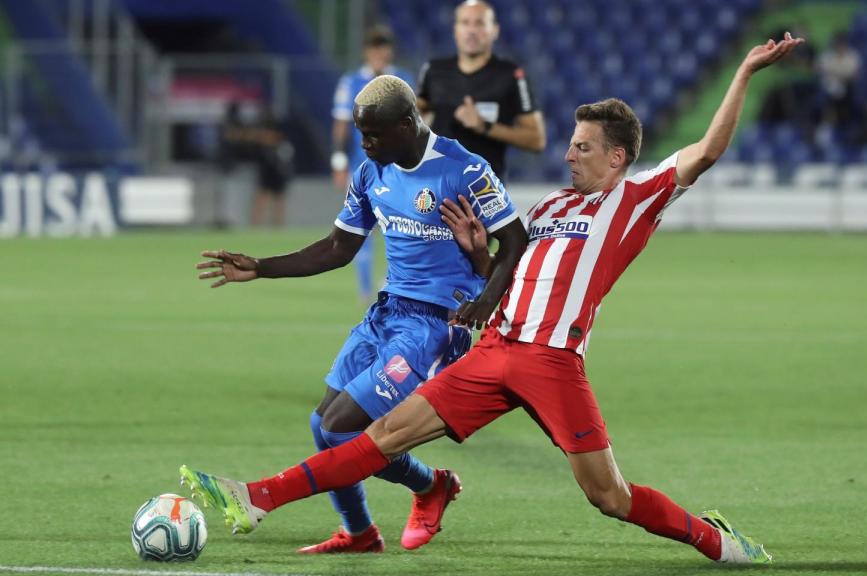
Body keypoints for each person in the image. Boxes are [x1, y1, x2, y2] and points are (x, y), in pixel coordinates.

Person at [182, 34, 803, 564]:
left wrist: (744, 71)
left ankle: (716, 544)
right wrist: (478, 257)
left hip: (552, 361)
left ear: (618, 157)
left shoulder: (635, 201)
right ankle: (256, 497)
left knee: (608, 496)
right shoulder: (554, 206)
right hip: (497, 347)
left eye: (583, 147)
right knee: (382, 436)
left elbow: (708, 151)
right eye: (569, 142)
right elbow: (518, 273)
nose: (568, 154)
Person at [194, 75, 528, 553]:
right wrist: (261, 267)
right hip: (388, 313)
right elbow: (338, 247)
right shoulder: (372, 172)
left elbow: (516, 241)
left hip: (433, 327)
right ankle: (361, 533)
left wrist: (485, 298)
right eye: (360, 134)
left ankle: (432, 485)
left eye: (373, 134)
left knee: (341, 427)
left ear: (408, 123)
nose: (365, 143)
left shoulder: (464, 169)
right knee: (321, 424)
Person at [416, 0, 546, 180]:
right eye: (465, 23)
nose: (471, 30)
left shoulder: (511, 75)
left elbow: (536, 140)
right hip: (436, 185)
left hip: (486, 189)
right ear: (455, 30)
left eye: (479, 23)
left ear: (495, 30)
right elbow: (418, 111)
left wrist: (484, 126)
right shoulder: (433, 70)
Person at [333, 25, 415, 304]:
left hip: (398, 167)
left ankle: (393, 282)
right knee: (360, 227)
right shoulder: (351, 81)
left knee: (405, 226)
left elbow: (418, 123)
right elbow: (342, 123)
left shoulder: (403, 80)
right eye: (374, 46)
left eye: (383, 46)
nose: (379, 52)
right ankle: (366, 290)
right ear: (366, 51)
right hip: (363, 168)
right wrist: (338, 159)